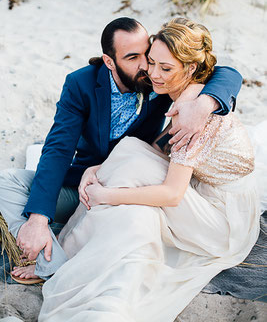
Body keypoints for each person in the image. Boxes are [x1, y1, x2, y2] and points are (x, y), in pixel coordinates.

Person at [38, 18, 262, 322]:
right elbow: (156, 148)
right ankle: (73, 244)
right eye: (151, 62)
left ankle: (69, 250)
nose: (152, 74)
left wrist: (108, 194)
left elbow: (171, 194)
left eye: (165, 68)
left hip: (222, 218)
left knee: (128, 192)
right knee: (129, 152)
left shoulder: (196, 116)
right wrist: (97, 167)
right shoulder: (181, 91)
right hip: (200, 187)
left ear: (190, 69)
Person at [0, 17, 242, 283]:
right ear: (109, 62)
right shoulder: (80, 85)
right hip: (87, 181)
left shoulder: (160, 77)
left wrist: (204, 103)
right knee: (7, 183)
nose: (146, 67)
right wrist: (38, 219)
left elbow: (225, 73)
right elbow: (57, 150)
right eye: (132, 57)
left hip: (132, 184)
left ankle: (54, 262)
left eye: (147, 55)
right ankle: (49, 252)